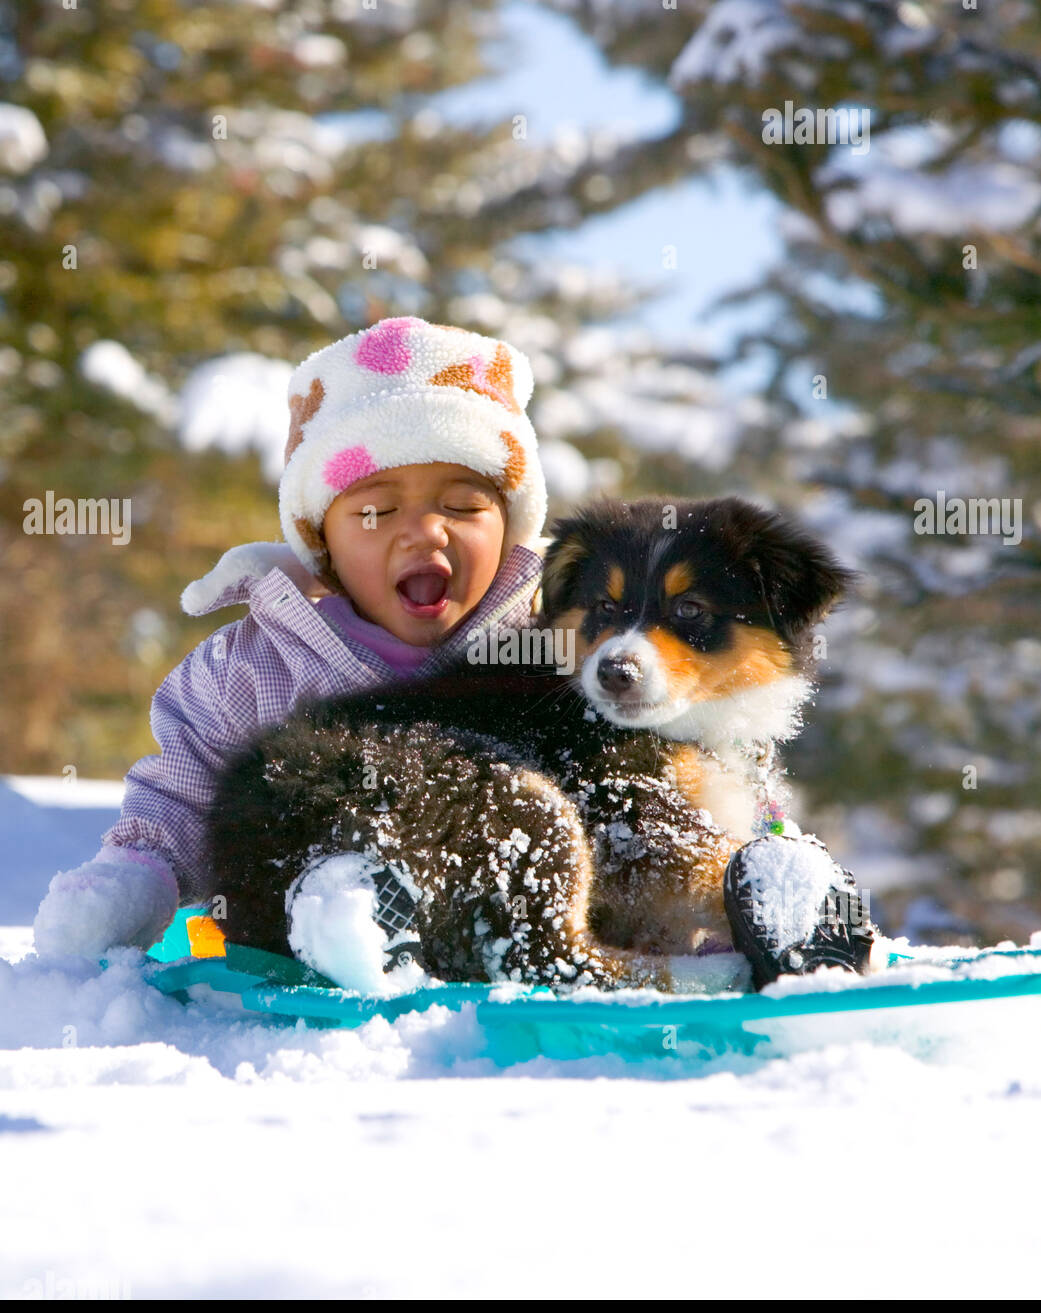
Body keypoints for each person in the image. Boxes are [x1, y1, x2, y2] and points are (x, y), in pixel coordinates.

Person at [33, 313, 876, 987]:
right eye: (373, 510)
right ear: (321, 539)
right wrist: (130, 883)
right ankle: (359, 913)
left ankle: (784, 924)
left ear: (511, 531)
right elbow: (177, 796)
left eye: (462, 506)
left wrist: (772, 864)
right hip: (311, 840)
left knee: (681, 836)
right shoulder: (247, 668)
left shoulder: (540, 638)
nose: (420, 532)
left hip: (418, 841)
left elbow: (725, 797)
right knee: (523, 814)